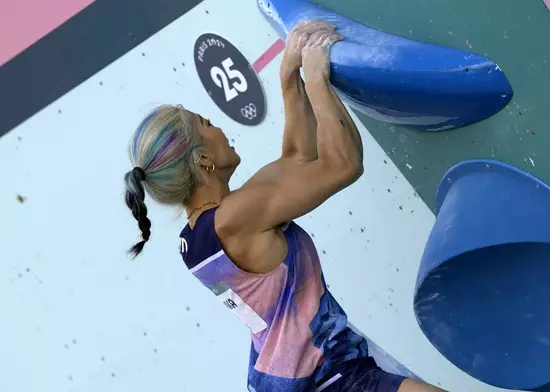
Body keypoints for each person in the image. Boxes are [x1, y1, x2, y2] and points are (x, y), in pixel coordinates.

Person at [124, 20, 445, 392]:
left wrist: (289, 76)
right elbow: (343, 165)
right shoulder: (234, 218)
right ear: (202, 161)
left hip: (309, 373)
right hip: (327, 378)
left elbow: (296, 157)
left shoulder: (201, 232)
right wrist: (317, 80)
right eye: (207, 124)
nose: (219, 129)